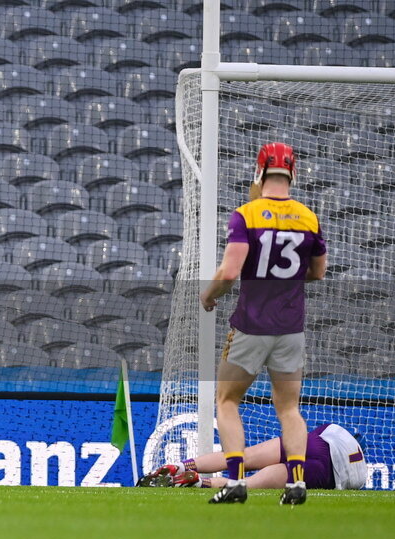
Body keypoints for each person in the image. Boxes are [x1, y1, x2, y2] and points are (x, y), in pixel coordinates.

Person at [199, 142, 327, 505]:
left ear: (260, 172)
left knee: (227, 400)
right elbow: (318, 272)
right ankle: (298, 483)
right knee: (288, 408)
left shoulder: (246, 214)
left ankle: (236, 480)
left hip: (251, 326)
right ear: (293, 173)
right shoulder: (308, 217)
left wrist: (209, 295)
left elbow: (229, 271)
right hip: (291, 329)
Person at [139, 423, 367, 490]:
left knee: (243, 456)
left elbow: (319, 432)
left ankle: (178, 466)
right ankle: (199, 482)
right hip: (326, 472)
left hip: (316, 444)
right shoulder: (361, 473)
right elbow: (350, 485)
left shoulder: (337, 431)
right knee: (247, 484)